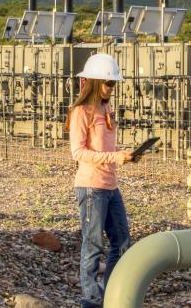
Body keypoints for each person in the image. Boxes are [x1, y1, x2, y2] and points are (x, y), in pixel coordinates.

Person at [68, 53, 135, 308]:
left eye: (114, 84)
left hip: (110, 185)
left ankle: (109, 293)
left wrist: (123, 155)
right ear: (95, 82)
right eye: (109, 83)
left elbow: (104, 146)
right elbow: (78, 152)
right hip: (91, 187)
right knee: (93, 244)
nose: (112, 88)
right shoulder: (81, 111)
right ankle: (90, 300)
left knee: (122, 241)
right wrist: (115, 157)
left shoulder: (105, 108)